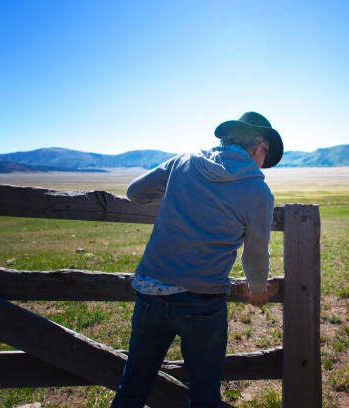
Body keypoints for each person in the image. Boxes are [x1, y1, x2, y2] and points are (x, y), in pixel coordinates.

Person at [111, 112, 283, 408]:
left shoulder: (185, 160)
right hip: (201, 301)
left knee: (132, 388)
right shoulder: (258, 191)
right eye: (265, 155)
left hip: (151, 289)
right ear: (258, 147)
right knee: (204, 397)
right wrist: (257, 290)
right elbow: (255, 252)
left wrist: (180, 193)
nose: (263, 164)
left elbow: (135, 192)